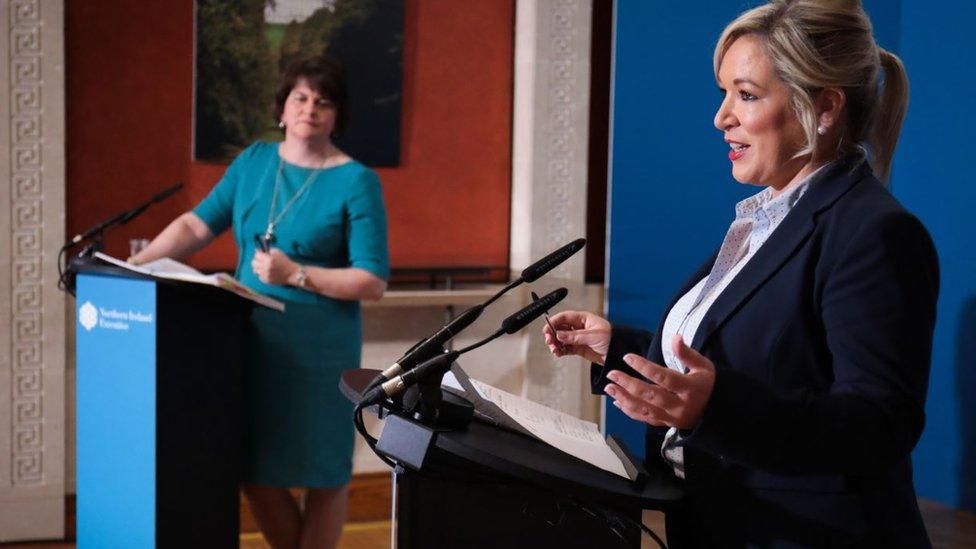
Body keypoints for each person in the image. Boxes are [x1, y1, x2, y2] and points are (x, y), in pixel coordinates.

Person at [544, 1, 938, 546]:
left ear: (822, 108)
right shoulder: (764, 220)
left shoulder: (873, 233)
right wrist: (622, 350)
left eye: (746, 95)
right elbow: (761, 363)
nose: (721, 116)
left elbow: (880, 424)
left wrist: (716, 408)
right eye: (724, 92)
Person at [130, 56, 389, 549]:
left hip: (318, 350)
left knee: (323, 473)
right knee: (254, 467)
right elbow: (195, 226)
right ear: (282, 108)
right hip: (252, 339)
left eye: (323, 101)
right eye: (301, 97)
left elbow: (372, 280)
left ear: (337, 116)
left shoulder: (356, 181)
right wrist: (137, 268)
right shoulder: (253, 161)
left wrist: (296, 274)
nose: (310, 108)